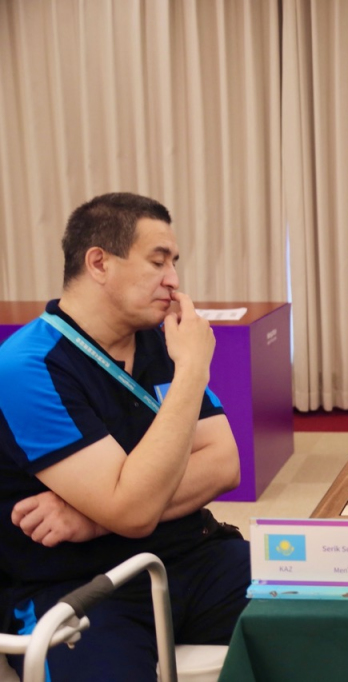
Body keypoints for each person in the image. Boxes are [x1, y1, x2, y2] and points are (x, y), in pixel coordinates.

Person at [0, 193, 250, 680]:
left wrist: (93, 517)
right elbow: (133, 512)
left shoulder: (160, 343)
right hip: (82, 587)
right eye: (158, 261)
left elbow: (224, 465)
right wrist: (192, 371)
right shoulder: (26, 366)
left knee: (321, 618)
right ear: (99, 263)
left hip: (196, 554)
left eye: (174, 263)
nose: (173, 279)